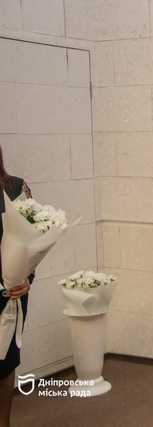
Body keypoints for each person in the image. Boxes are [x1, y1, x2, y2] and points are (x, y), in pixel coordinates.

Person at [0, 146, 33, 427]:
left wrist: (27, 278)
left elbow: (35, 236)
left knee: (4, 363)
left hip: (9, 291)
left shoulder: (15, 188)